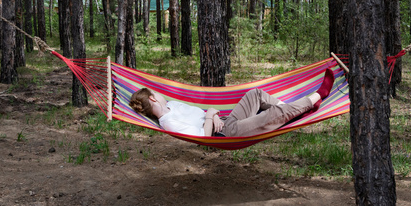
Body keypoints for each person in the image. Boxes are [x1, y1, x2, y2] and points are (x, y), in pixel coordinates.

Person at [129, 69, 335, 137]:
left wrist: (213, 113)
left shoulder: (175, 105)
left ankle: (294, 110)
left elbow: (207, 111)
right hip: (225, 133)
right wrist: (211, 114)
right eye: (156, 92)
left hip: (224, 120)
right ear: (153, 98)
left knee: (255, 94)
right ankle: (318, 96)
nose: (160, 93)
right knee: (270, 116)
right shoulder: (168, 122)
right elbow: (204, 136)